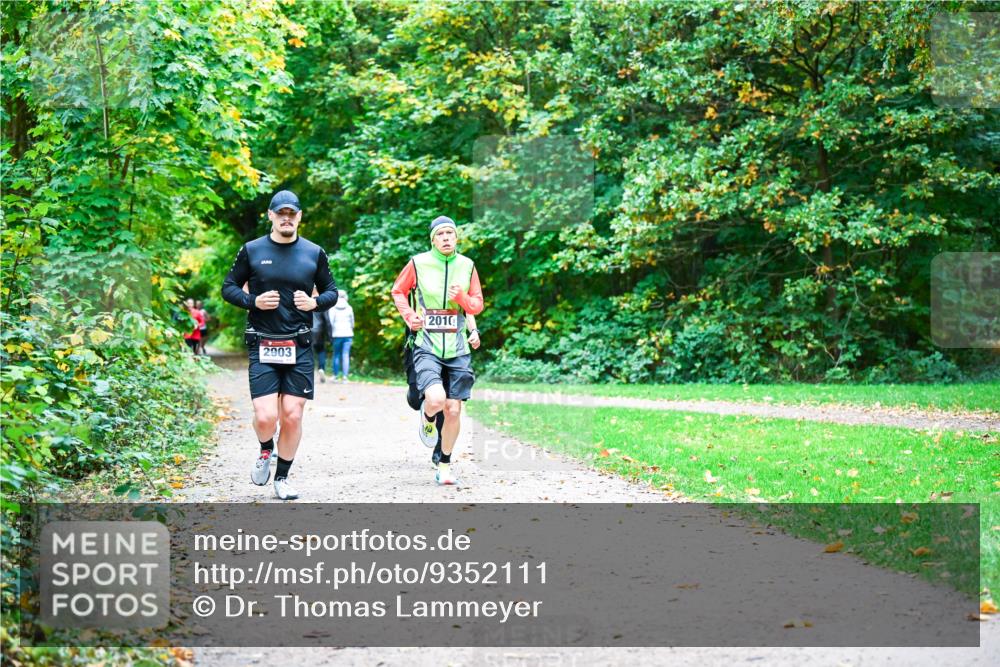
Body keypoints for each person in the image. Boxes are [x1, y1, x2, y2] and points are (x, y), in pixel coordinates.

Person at [221, 190, 338, 500]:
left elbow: (332, 293)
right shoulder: (252, 250)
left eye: (292, 213)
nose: (287, 218)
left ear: (299, 216)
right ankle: (265, 450)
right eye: (280, 213)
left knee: (293, 415)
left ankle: (282, 478)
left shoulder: (314, 253)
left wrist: (314, 303)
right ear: (270, 215)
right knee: (265, 417)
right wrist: (252, 300)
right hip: (262, 342)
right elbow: (228, 287)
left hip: (298, 343)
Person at [391, 215, 483, 485]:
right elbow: (398, 290)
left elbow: (476, 304)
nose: (446, 238)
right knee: (435, 399)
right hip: (427, 344)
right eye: (440, 234)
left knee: (454, 410)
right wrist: (410, 317)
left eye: (450, 234)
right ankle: (428, 417)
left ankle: (444, 463)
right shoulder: (418, 263)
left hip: (457, 346)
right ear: (433, 238)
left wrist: (461, 299)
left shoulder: (467, 266)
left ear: (456, 238)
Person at [329, 289, 354, 382]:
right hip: (348, 334)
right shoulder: (349, 308)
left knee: (336, 355)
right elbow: (352, 322)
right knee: (345, 355)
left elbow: (330, 322)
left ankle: (335, 376)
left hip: (337, 334)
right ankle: (345, 377)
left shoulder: (333, 308)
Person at [312, 302, 331, 383]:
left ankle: (309, 372)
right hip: (320, 332)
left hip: (308, 332)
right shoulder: (322, 305)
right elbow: (327, 322)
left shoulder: (304, 302)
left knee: (309, 353)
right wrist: (329, 337)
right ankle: (321, 369)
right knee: (321, 351)